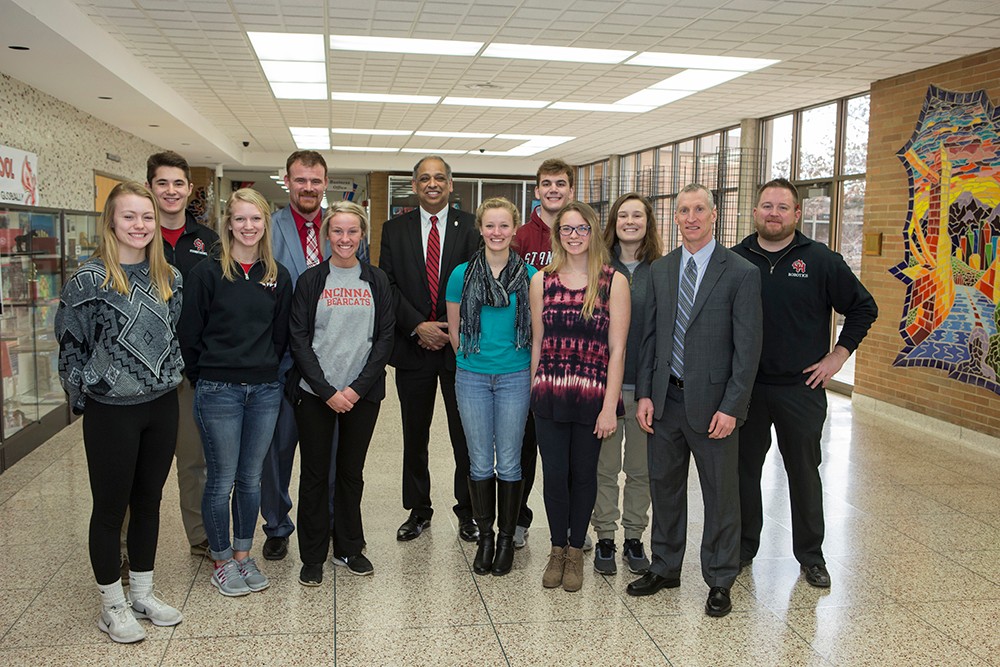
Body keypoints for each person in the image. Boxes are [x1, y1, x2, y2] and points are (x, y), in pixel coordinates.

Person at [55, 181, 185, 643]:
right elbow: (70, 348)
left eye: (146, 217)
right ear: (111, 221)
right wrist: (86, 394)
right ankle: (112, 604)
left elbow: (173, 335)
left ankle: (143, 592)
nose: (140, 225)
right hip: (112, 412)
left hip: (162, 404)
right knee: (110, 509)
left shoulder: (169, 276)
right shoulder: (87, 282)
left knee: (150, 501)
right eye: (129, 216)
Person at [733, 178, 877, 588]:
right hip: (747, 389)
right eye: (766, 206)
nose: (773, 213)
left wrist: (837, 356)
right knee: (744, 472)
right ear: (755, 212)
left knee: (804, 472)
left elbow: (864, 308)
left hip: (802, 389)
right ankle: (744, 548)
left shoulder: (821, 261)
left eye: (782, 206)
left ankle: (811, 556)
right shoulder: (736, 260)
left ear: (797, 214)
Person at [628, 184, 762, 618]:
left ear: (715, 214)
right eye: (683, 210)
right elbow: (650, 338)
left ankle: (720, 578)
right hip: (665, 403)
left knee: (721, 496)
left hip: (715, 408)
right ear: (675, 218)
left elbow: (748, 349)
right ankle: (665, 566)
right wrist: (645, 393)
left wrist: (733, 407)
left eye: (699, 209)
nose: (691, 217)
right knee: (664, 490)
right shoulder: (661, 270)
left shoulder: (740, 272)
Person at [178, 188, 292, 596]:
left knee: (251, 478)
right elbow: (189, 334)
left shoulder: (277, 275)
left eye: (255, 219)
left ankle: (244, 555)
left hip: (264, 391)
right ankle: (222, 560)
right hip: (218, 390)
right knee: (220, 479)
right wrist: (206, 375)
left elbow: (280, 336)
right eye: (240, 219)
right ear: (228, 223)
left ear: (266, 224)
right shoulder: (207, 273)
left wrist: (262, 371)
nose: (248, 226)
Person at [287, 202, 394, 585]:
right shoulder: (311, 280)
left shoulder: (376, 280)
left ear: (362, 236)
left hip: (361, 394)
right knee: (315, 474)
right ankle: (313, 554)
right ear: (326, 235)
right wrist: (327, 390)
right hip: (315, 394)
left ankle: (349, 547)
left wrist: (354, 389)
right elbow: (299, 340)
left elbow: (384, 339)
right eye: (337, 231)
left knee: (351, 472)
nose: (345, 239)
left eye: (352, 232)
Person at [530, 201, 629, 593]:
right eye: (567, 229)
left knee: (584, 476)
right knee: (554, 476)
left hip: (592, 397)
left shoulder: (613, 281)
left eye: (581, 229)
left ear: (593, 233)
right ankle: (557, 549)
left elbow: (617, 351)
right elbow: (539, 341)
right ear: (558, 235)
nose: (574, 236)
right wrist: (532, 392)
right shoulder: (541, 280)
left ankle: (575, 551)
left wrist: (610, 406)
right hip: (550, 393)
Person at [379, 155, 480, 543]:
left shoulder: (470, 227)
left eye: (440, 178)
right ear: (414, 185)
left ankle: (468, 509)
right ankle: (418, 509)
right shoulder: (394, 228)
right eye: (425, 178)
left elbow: (478, 282)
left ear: (451, 184)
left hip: (459, 349)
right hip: (414, 346)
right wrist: (416, 325)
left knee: (464, 434)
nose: (432, 184)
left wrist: (449, 329)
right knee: (414, 434)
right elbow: (387, 283)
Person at [446, 197, 536, 576]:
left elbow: (538, 330)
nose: (496, 232)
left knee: (512, 461)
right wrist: (472, 360)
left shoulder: (532, 276)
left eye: (504, 226)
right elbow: (454, 329)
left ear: (514, 230)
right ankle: (484, 536)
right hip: (472, 377)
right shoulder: (460, 274)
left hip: (516, 376)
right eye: (490, 225)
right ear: (480, 229)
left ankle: (505, 539)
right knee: (479, 460)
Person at [259, 150, 333, 561]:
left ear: (326, 183)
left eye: (315, 180)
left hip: (332, 360)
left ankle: (328, 520)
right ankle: (277, 524)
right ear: (288, 181)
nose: (308, 187)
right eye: (300, 180)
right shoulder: (267, 229)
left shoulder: (343, 229)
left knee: (329, 450)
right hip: (283, 360)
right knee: (278, 450)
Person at [146, 150, 218, 560]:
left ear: (189, 189)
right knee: (141, 468)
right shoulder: (137, 235)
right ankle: (125, 546)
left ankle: (200, 536)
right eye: (162, 183)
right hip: (140, 376)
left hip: (191, 372)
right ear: (150, 187)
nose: (171, 191)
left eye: (178, 183)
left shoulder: (207, 243)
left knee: (194, 462)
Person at [591, 193, 662, 576]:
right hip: (604, 388)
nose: (630, 221)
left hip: (646, 389)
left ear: (648, 222)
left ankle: (634, 537)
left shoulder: (662, 270)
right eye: (623, 215)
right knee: (603, 468)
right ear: (613, 222)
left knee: (640, 470)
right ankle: (604, 536)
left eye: (638, 215)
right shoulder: (597, 267)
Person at [511, 158, 578, 550]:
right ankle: (519, 519)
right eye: (546, 183)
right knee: (526, 446)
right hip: (527, 357)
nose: (553, 189)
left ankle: (572, 524)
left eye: (560, 183)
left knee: (570, 450)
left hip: (574, 361)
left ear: (570, 190)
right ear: (536, 190)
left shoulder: (583, 234)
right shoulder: (520, 237)